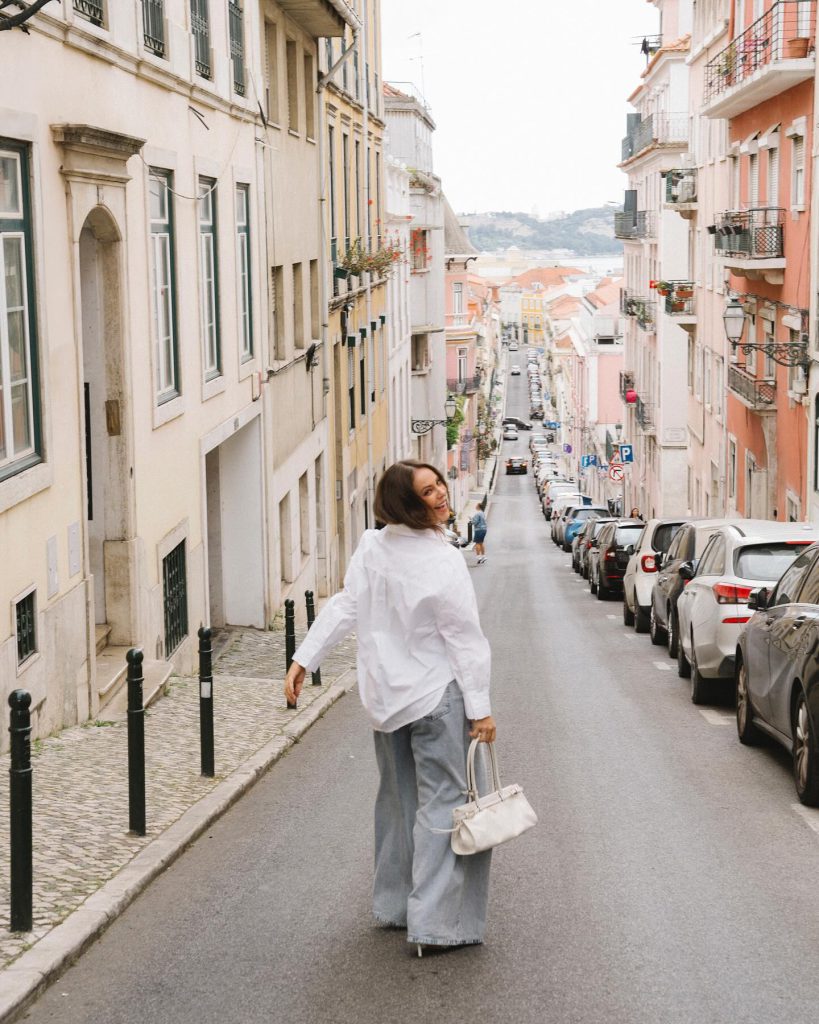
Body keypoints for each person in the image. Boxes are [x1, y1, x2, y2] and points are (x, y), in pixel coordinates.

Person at [284, 460, 496, 956]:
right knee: (445, 807)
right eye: (428, 491)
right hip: (436, 698)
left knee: (399, 804)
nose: (442, 493)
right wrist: (480, 708)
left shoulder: (371, 547)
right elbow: (463, 639)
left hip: (386, 702)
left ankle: (396, 906)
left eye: (439, 484)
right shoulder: (443, 560)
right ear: (406, 503)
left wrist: (303, 658)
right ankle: (435, 924)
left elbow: (345, 606)